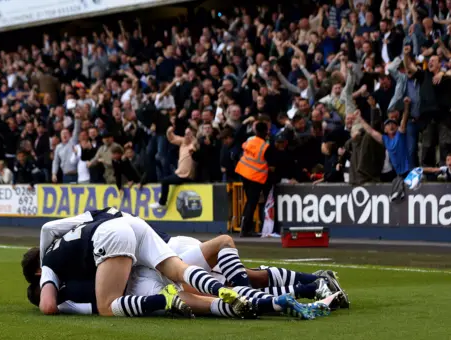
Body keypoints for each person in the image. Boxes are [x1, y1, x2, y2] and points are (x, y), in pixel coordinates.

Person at [30, 208, 259, 318]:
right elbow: (49, 227)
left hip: (111, 238)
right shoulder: (69, 232)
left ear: (38, 272)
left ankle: (164, 300)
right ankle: (238, 294)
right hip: (132, 223)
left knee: (107, 306)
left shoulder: (49, 263)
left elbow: (48, 306)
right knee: (179, 270)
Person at [359, 98, 412, 201]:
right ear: (385, 129)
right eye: (388, 124)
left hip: (408, 171)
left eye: (393, 124)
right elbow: (370, 131)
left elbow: (404, 120)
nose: (391, 125)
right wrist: (359, 118)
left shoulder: (400, 134)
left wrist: (406, 106)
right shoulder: (385, 139)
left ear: (396, 127)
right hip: (397, 174)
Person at [235, 121, 272, 237]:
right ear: (266, 132)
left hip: (243, 172)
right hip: (255, 176)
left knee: (250, 202)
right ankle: (246, 229)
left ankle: (245, 227)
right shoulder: (265, 146)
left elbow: (243, 146)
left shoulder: (250, 140)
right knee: (252, 202)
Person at [148, 126, 197, 210]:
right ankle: (162, 202)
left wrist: (193, 140)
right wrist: (169, 131)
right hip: (180, 173)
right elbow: (172, 138)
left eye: (189, 134)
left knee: (165, 181)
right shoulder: (183, 142)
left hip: (187, 175)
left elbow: (195, 144)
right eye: (185, 134)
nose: (186, 136)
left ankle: (162, 203)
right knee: (165, 179)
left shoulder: (194, 144)